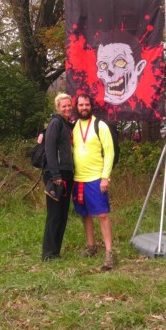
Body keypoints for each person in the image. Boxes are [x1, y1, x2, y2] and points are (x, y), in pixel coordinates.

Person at [72, 93, 115, 270]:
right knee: (85, 214)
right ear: (77, 107)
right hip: (78, 179)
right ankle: (91, 247)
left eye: (87, 105)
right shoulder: (73, 126)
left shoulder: (100, 125)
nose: (84, 108)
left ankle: (109, 253)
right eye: (81, 105)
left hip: (96, 179)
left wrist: (105, 177)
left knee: (102, 215)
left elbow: (110, 152)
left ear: (91, 106)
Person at [40, 93, 74, 261]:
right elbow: (49, 150)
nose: (67, 108)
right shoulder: (56, 122)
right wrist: (55, 176)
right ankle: (48, 253)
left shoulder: (68, 124)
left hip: (67, 174)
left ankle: (56, 252)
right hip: (56, 175)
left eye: (69, 105)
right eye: (64, 106)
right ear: (58, 108)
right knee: (54, 215)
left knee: (62, 214)